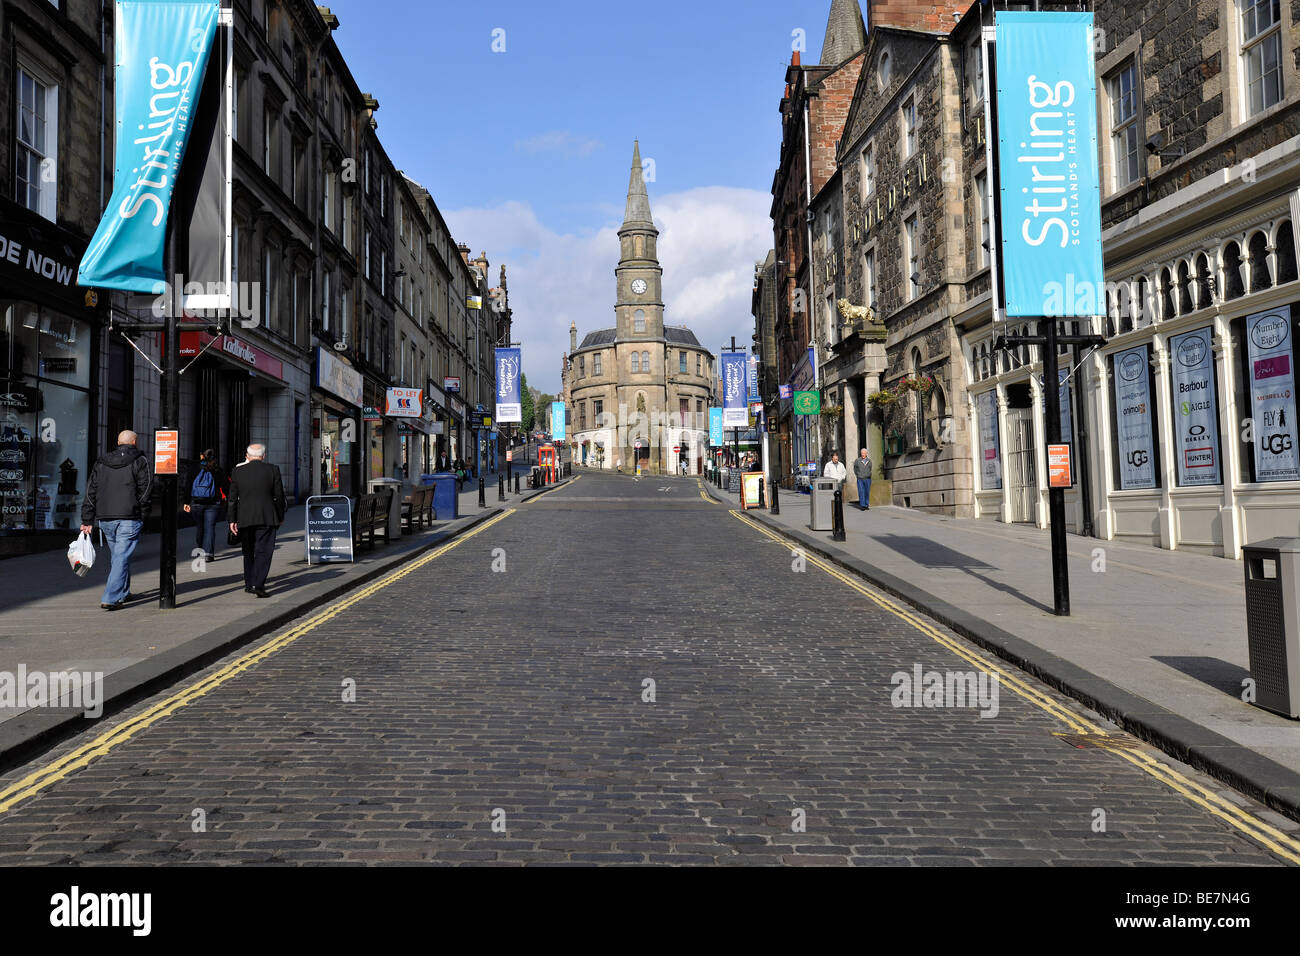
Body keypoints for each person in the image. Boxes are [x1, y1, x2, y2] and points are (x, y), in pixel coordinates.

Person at [80, 430, 153, 610]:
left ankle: (123, 592)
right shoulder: (140, 460)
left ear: (118, 442)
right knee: (121, 557)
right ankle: (111, 597)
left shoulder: (101, 461)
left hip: (106, 518)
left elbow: (91, 491)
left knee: (119, 556)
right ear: (134, 442)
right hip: (129, 516)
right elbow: (145, 490)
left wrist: (87, 519)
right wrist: (143, 514)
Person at [227, 443, 286, 598]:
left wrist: (232, 520)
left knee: (248, 551)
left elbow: (232, 499)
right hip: (267, 517)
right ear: (264, 456)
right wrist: (280, 516)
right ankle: (259, 584)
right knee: (264, 552)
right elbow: (279, 496)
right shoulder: (273, 470)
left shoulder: (238, 471)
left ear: (247, 455)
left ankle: (249, 583)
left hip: (244, 517)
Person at [183, 449, 227, 561]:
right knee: (210, 527)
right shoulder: (218, 470)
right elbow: (225, 486)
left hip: (197, 502)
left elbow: (188, 486)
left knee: (200, 527)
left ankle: (200, 549)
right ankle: (208, 554)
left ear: (202, 456)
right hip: (213, 503)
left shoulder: (194, 468)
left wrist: (186, 502)